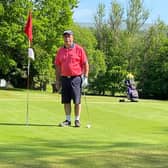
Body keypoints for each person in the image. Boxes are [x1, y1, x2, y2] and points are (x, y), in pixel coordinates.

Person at [54, 30, 89, 127]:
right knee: (66, 100)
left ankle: (77, 120)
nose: (67, 39)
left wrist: (85, 77)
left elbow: (85, 63)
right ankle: (68, 120)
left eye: (69, 37)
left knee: (77, 100)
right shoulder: (60, 51)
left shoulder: (79, 49)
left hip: (76, 78)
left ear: (72, 38)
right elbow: (57, 66)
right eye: (65, 37)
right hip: (64, 78)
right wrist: (57, 80)